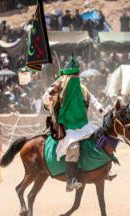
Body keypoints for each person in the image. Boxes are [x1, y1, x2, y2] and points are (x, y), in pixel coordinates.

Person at [42, 57, 105, 192]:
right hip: (66, 127)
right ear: (68, 76)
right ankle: (70, 181)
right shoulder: (58, 86)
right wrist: (53, 91)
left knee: (101, 138)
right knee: (74, 147)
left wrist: (102, 110)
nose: (75, 78)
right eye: (73, 76)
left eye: (77, 76)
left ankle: (103, 169)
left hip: (83, 125)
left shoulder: (82, 89)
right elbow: (46, 101)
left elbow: (94, 102)